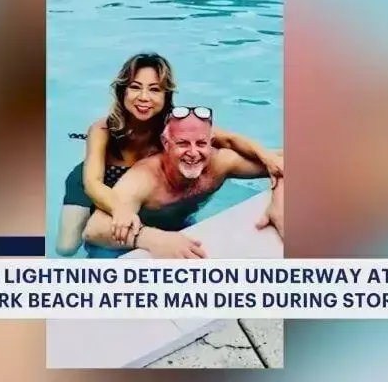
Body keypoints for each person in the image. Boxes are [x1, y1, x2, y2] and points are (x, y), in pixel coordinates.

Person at [56, 53, 283, 256]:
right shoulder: (103, 128)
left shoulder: (173, 127)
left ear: (166, 96)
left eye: (154, 89)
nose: (144, 97)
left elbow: (229, 140)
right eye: (135, 87)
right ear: (122, 91)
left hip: (134, 184)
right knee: (66, 248)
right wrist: (119, 209)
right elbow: (93, 183)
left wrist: (267, 157)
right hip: (98, 177)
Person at [82, 106, 284, 258]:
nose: (193, 153)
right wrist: (154, 239)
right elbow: (93, 230)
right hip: (119, 244)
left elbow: (286, 161)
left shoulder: (219, 164)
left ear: (211, 142)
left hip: (181, 226)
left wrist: (279, 201)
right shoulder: (145, 178)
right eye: (182, 143)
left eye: (201, 143)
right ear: (165, 144)